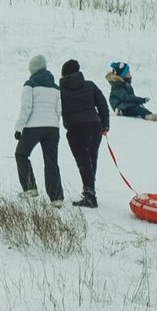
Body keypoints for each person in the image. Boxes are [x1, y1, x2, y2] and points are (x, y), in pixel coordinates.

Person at [14, 54, 64, 206]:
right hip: (52, 128)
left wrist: (19, 128)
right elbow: (58, 110)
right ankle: (56, 198)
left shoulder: (30, 84)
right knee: (51, 162)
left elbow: (26, 108)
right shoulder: (56, 87)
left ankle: (29, 187)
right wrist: (54, 124)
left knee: (21, 154)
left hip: (34, 126)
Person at [59, 59, 109, 208]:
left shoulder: (61, 91)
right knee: (92, 158)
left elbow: (56, 109)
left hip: (75, 128)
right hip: (95, 126)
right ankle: (90, 192)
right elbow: (102, 104)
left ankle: (89, 196)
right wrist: (105, 124)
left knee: (83, 162)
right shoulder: (90, 85)